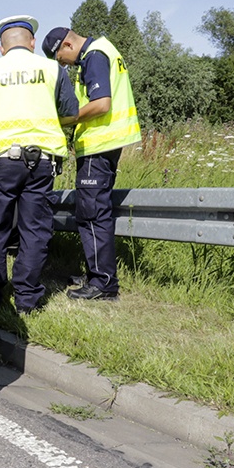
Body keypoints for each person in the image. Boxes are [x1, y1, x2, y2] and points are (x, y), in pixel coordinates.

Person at [0, 15, 78, 314]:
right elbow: (70, 114)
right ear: (32, 43)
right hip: (41, 162)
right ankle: (27, 301)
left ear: (2, 48)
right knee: (35, 230)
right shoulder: (53, 69)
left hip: (2, 162)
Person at [41, 27, 141, 300]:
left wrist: (67, 119)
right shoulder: (103, 50)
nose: (64, 64)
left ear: (68, 44)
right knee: (92, 211)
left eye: (61, 58)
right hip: (103, 144)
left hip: (100, 144)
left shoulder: (95, 56)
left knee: (92, 214)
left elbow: (101, 104)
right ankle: (97, 273)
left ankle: (104, 285)